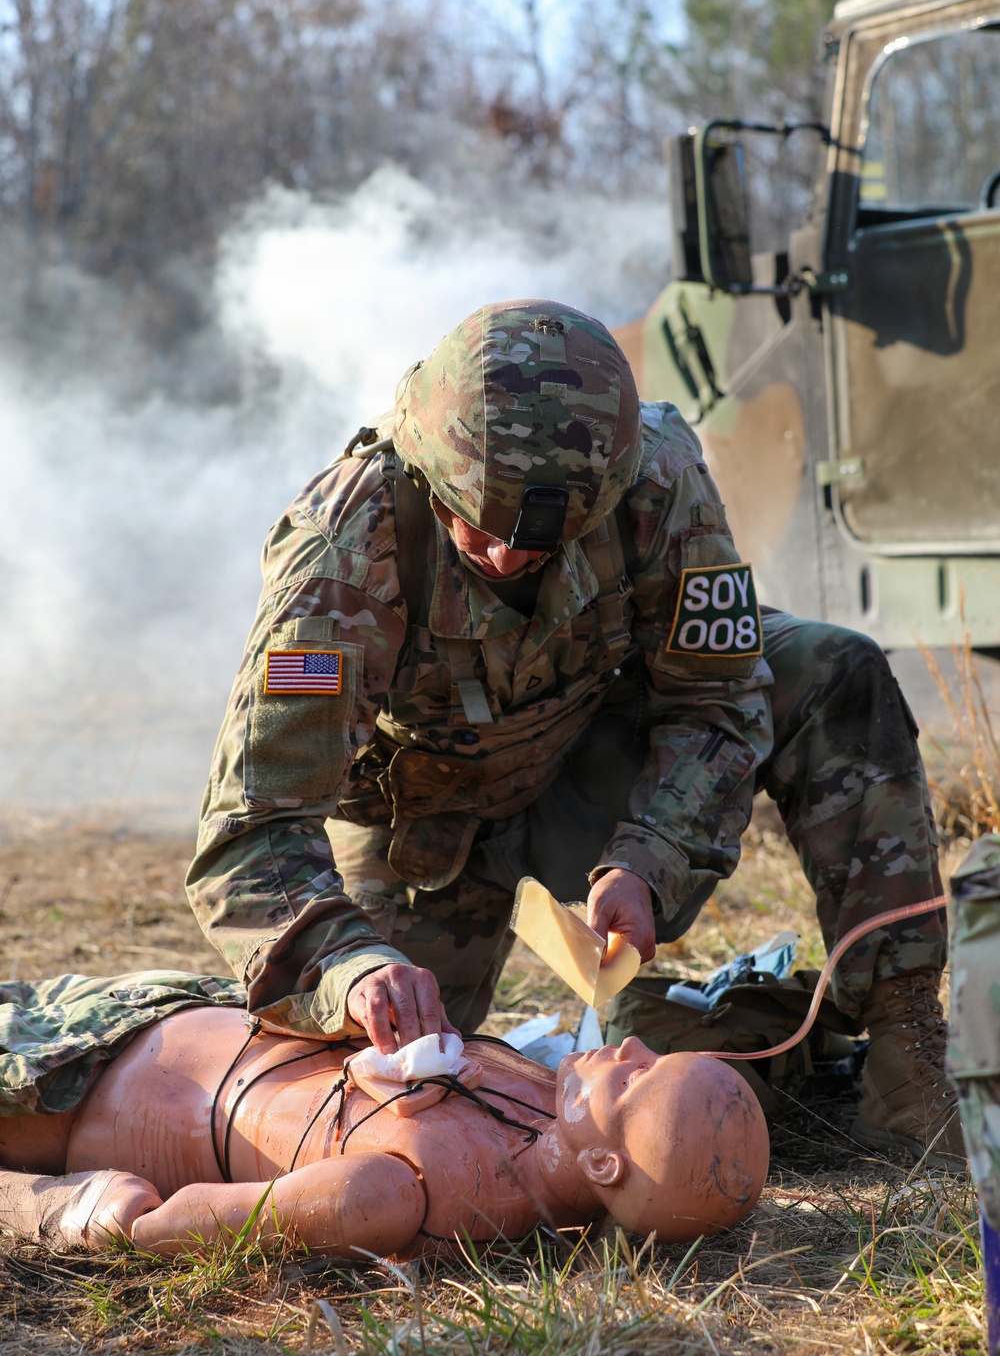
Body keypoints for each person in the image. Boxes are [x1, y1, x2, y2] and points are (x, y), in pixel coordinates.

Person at [185, 298, 961, 1167]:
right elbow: (249, 837)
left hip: (594, 759)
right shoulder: (342, 556)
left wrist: (646, 862)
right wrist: (352, 965)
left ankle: (905, 1050)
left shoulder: (658, 479)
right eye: (479, 527)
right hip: (428, 835)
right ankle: (704, 1034)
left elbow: (718, 700)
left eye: (544, 539)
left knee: (831, 669)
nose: (510, 558)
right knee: (378, 1098)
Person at [0, 971, 768, 1255]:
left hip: (66, 1086)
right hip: (174, 1005)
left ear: (606, 1165)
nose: (630, 1046)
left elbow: (151, 1224)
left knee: (105, 1214)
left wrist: (65, 1211)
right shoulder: (546, 1101)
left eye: (634, 1081)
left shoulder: (394, 1197)